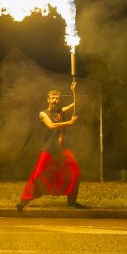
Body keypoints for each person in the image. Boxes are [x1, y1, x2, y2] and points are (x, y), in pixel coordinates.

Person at [18, 81, 86, 210]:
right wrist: (69, 123)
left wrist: (74, 91)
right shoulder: (43, 114)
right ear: (48, 100)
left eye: (57, 98)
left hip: (63, 149)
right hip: (49, 149)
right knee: (38, 175)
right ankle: (23, 201)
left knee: (76, 173)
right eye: (53, 98)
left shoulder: (60, 111)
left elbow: (76, 103)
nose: (55, 100)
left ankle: (72, 201)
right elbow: (51, 126)